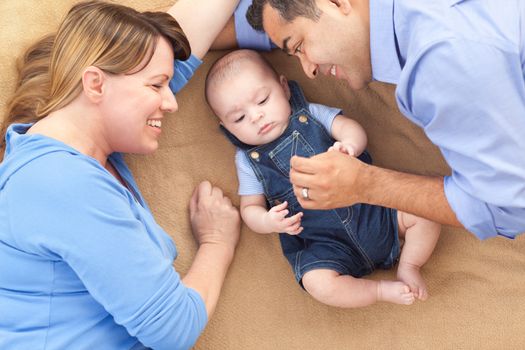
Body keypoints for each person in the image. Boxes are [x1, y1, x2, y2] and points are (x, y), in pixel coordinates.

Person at [0, 0, 242, 349]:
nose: (170, 101)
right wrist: (217, 244)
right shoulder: (61, 181)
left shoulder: (69, 159)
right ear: (95, 84)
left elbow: (146, 64)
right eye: (157, 86)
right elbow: (172, 327)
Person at [230, 0, 525, 240]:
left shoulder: (441, 59)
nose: (307, 70)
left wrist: (365, 184)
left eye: (298, 47)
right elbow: (277, 19)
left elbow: (508, 207)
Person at [204, 49, 441, 308]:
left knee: (426, 211)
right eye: (239, 118)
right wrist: (267, 221)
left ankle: (409, 265)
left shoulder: (310, 115)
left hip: (375, 214)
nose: (255, 116)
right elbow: (250, 208)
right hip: (327, 246)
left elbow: (351, 129)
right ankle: (380, 291)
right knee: (317, 283)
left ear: (284, 88)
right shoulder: (248, 161)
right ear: (226, 127)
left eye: (262, 100)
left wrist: (350, 146)